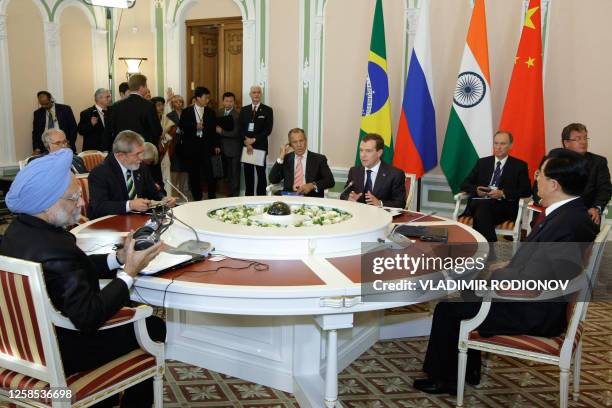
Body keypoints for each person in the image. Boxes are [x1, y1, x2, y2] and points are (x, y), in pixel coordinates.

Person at [413, 149, 598, 395]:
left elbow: (536, 279)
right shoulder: (571, 214)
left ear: (553, 184)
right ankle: (468, 371)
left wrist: (497, 277)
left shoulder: (566, 224)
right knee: (468, 292)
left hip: (535, 310)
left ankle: (444, 380)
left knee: (449, 308)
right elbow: (544, 262)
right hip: (544, 299)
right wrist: (510, 265)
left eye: (539, 174)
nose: (535, 178)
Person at [0, 148, 165, 408]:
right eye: (74, 197)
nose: (81, 203)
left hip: (22, 347)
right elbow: (88, 316)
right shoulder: (55, 248)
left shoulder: (18, 231)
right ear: (47, 202)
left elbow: (72, 268)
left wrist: (119, 258)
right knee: (152, 325)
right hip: (61, 352)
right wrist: (129, 273)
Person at [533, 123, 611, 226]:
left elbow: (605, 189)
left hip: (583, 214)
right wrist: (542, 201)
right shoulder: (551, 159)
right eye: (578, 139)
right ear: (566, 143)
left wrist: (597, 207)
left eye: (585, 138)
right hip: (551, 213)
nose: (583, 142)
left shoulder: (598, 162)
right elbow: (537, 187)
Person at [460, 131, 531, 242]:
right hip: (479, 202)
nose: (498, 147)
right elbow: (464, 184)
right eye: (496, 143)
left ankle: (486, 249)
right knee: (482, 206)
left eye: (503, 144)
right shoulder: (482, 163)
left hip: (503, 207)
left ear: (511, 145)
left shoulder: (519, 166)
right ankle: (490, 249)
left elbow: (526, 191)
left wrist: (502, 193)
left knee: (482, 211)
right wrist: (476, 190)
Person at [88, 130, 176, 219]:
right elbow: (99, 206)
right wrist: (130, 205)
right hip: (110, 224)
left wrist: (164, 199)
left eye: (142, 153)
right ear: (121, 155)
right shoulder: (99, 173)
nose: (141, 158)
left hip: (139, 220)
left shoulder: (140, 167)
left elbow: (154, 192)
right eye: (137, 154)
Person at [340, 133, 406, 208]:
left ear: (379, 153)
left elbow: (400, 203)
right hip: (359, 216)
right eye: (361, 150)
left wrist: (379, 203)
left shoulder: (395, 174)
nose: (363, 155)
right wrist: (350, 198)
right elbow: (344, 194)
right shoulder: (354, 171)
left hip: (382, 217)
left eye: (368, 151)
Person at [179, 86, 221, 201]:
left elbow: (214, 131)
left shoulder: (210, 112)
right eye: (205, 98)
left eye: (208, 98)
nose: (208, 100)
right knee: (194, 174)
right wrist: (195, 126)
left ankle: (212, 197)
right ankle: (197, 197)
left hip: (207, 147)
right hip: (192, 148)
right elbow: (182, 125)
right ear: (197, 98)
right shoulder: (186, 111)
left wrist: (217, 145)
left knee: (210, 174)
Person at [268, 128, 335, 197]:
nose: (299, 145)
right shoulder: (286, 159)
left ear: (306, 141)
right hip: (289, 196)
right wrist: (281, 157)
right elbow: (273, 179)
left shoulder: (319, 159)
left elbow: (330, 181)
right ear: (290, 144)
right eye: (295, 142)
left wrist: (312, 185)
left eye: (301, 141)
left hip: (310, 197)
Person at [105, 74, 162, 150]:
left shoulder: (116, 106)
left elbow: (111, 130)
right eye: (146, 86)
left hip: (122, 149)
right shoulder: (148, 105)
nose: (147, 88)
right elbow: (157, 131)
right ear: (141, 87)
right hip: (142, 150)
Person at [239, 85, 274, 196]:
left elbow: (268, 130)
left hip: (260, 147)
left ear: (261, 94)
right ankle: (248, 198)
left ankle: (261, 198)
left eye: (258, 92)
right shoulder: (244, 110)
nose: (256, 94)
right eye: (254, 92)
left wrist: (253, 140)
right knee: (248, 175)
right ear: (250, 94)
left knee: (261, 175)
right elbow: (240, 128)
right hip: (247, 147)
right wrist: (246, 141)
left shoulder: (268, 110)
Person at [216, 92, 242, 197]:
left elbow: (236, 133)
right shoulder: (218, 112)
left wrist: (221, 132)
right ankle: (227, 193)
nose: (229, 103)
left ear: (234, 102)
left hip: (234, 148)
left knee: (234, 173)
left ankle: (234, 195)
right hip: (221, 148)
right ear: (223, 101)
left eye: (231, 101)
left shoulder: (237, 115)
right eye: (226, 101)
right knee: (225, 173)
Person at [166, 94, 190, 199]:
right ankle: (174, 193)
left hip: (186, 144)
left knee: (184, 169)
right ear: (172, 104)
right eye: (176, 102)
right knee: (175, 169)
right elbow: (167, 130)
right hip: (174, 145)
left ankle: (183, 192)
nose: (179, 104)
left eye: (180, 102)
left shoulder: (187, 113)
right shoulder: (170, 115)